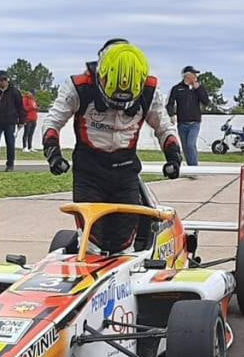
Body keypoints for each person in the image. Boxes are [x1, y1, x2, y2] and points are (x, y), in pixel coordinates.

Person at [41, 39, 183, 253]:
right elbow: (52, 122)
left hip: (125, 173)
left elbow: (164, 127)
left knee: (123, 243)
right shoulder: (79, 86)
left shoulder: (150, 91)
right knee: (91, 242)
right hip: (89, 173)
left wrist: (173, 156)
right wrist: (53, 153)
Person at [166, 66, 210, 166]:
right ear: (187, 76)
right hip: (182, 123)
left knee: (191, 144)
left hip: (195, 123)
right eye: (194, 75)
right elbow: (170, 103)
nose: (195, 77)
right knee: (185, 148)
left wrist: (198, 89)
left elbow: (206, 101)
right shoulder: (177, 88)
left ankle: (195, 169)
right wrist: (172, 114)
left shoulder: (198, 88)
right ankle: (191, 168)